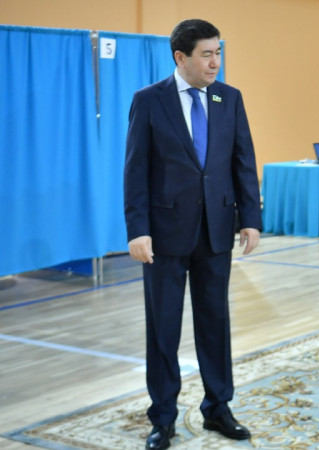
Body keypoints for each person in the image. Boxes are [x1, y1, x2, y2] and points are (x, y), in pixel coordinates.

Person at [124, 19, 263, 450]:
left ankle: (218, 408)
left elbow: (243, 160)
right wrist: (138, 230)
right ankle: (163, 418)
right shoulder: (149, 101)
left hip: (217, 230)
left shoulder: (229, 98)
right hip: (164, 235)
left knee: (215, 323)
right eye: (206, 54)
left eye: (218, 53)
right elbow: (135, 170)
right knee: (163, 328)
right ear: (180, 57)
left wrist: (251, 218)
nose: (215, 62)